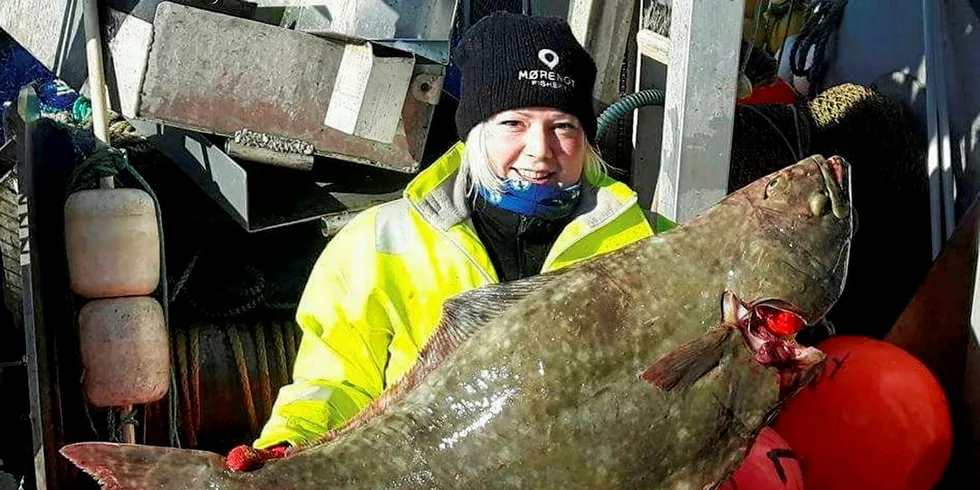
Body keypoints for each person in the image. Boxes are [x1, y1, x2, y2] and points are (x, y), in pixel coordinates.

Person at [225, 11, 675, 471]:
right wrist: (289, 450)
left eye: (564, 126)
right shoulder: (374, 241)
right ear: (474, 134)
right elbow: (335, 382)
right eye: (513, 123)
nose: (541, 150)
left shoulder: (654, 243)